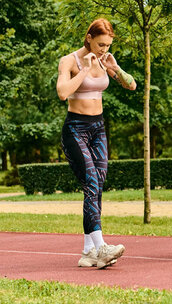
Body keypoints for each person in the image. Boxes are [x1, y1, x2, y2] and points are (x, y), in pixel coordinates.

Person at [56, 18, 137, 269]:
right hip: (75, 130)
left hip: (98, 129)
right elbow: (62, 92)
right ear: (89, 37)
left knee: (97, 186)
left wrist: (115, 66)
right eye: (101, 44)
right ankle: (101, 247)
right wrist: (84, 69)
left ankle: (87, 251)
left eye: (108, 45)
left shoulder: (104, 60)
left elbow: (131, 85)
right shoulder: (69, 61)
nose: (104, 49)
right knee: (91, 182)